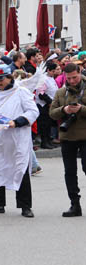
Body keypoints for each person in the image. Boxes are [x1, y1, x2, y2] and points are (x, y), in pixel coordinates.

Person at [0, 64, 39, 218]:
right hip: (0, 139)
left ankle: (25, 206)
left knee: (21, 169)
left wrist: (16, 122)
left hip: (18, 138)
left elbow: (33, 111)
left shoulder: (21, 92)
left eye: (1, 79)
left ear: (10, 77)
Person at [49, 62, 86, 217]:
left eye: (74, 77)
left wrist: (81, 109)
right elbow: (51, 113)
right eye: (69, 78)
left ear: (80, 72)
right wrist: (64, 110)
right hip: (67, 137)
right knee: (70, 172)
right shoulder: (60, 92)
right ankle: (74, 205)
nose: (72, 81)